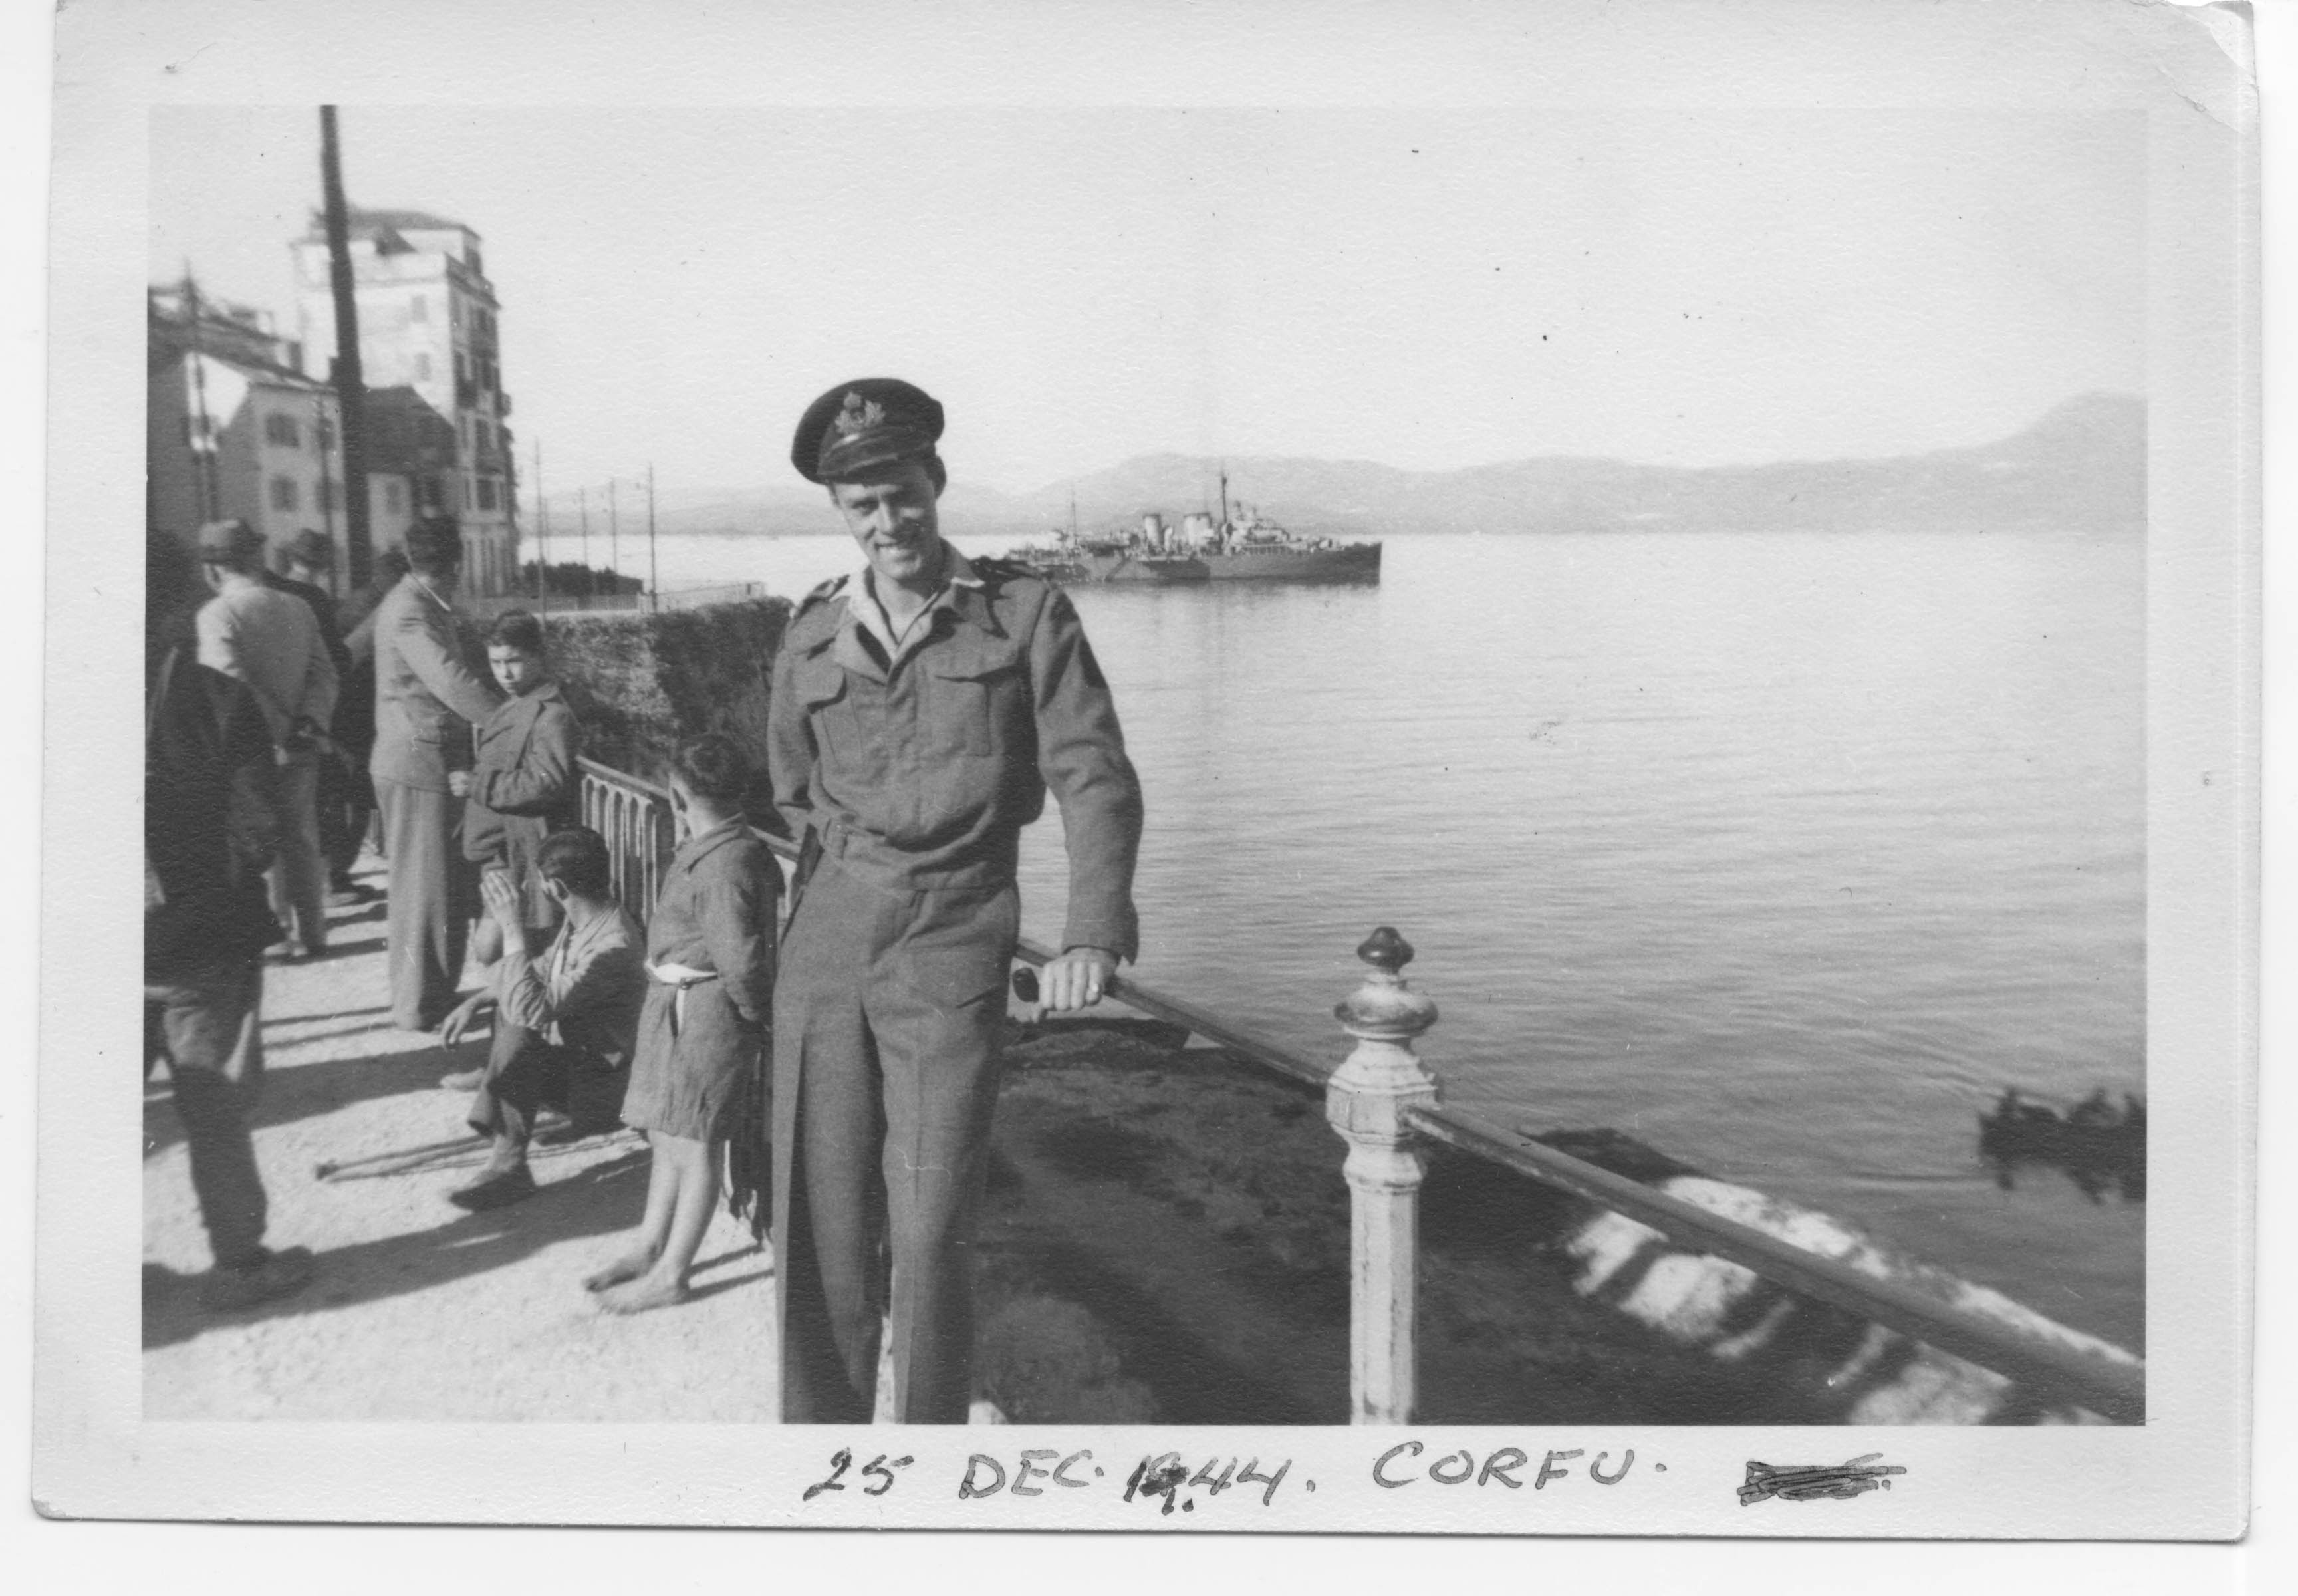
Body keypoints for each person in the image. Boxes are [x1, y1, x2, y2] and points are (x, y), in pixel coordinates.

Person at [767, 378, 1143, 1422]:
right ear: (842, 514)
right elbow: (792, 793)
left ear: (935, 483)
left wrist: (1091, 935)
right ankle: (826, 1461)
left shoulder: (1023, 615)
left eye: (902, 495)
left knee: (931, 1223)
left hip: (953, 934)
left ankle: (925, 1453)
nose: (889, 524)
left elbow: (1094, 775)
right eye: (864, 507)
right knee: (824, 1216)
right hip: (830, 940)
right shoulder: (807, 634)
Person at [146, 530, 316, 1311]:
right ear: (184, 603)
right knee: (213, 1112)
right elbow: (257, 832)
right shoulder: (219, 702)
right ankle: (241, 1262)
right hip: (201, 944)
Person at [587, 735, 780, 1314]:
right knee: (669, 1131)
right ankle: (650, 1245)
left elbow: (741, 963)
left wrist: (750, 1018)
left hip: (703, 1015)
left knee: (695, 1143)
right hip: (679, 1006)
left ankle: (673, 1274)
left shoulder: (724, 864)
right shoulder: (715, 848)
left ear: (677, 793)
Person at [442, 827, 646, 1212]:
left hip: (612, 1091)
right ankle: (507, 1138)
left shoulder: (612, 945)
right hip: (589, 1068)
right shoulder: (590, 917)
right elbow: (540, 968)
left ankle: (510, 1166)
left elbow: (529, 1008)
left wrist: (512, 928)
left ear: (555, 888)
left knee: (518, 1025)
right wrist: (477, 1000)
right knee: (514, 1006)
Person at [371, 516, 504, 1030]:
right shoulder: (412, 611)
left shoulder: (419, 604)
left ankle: (429, 996)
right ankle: (417, 1005)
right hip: (416, 762)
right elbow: (451, 682)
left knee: (434, 886)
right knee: (422, 889)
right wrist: (510, 722)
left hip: (423, 760)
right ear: (455, 564)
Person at [193, 518, 340, 961]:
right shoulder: (297, 606)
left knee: (260, 840)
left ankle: (275, 932)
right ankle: (314, 932)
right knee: (301, 835)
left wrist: (271, 731)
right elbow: (324, 673)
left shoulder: (217, 615)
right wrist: (307, 723)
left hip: (250, 751)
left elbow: (229, 685)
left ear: (214, 571)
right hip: (303, 744)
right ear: (256, 559)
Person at [272, 529, 371, 904]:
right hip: (320, 710)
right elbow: (335, 660)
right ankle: (331, 882)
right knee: (331, 797)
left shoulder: (277, 593)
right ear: (324, 564)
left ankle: (309, 889)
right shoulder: (314, 597)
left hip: (283, 706)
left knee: (300, 807)